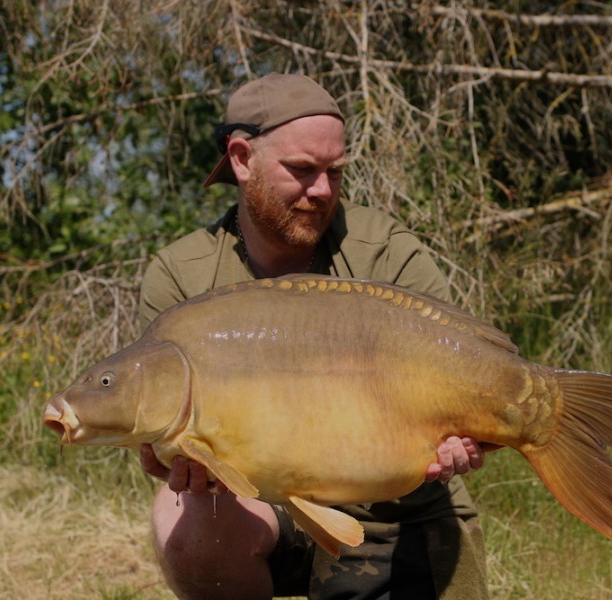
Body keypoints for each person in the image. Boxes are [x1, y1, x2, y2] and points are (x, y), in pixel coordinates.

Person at [137, 73, 490, 599]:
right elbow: (159, 435)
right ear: (241, 158)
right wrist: (170, 460)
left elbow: (469, 385)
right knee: (182, 517)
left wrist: (469, 438)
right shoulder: (182, 277)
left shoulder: (385, 253)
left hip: (400, 510)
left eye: (336, 172)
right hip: (267, 511)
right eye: (302, 170)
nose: (322, 191)